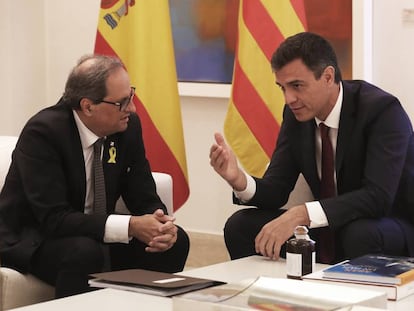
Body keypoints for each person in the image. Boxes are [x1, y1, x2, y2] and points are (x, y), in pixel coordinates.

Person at [209, 32, 414, 264]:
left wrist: (302, 214)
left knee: (359, 234)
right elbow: (277, 189)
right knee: (242, 225)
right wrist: (238, 180)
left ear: (328, 76)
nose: (289, 99)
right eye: (282, 88)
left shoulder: (382, 111)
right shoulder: (297, 116)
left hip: (389, 225)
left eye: (297, 86)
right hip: (329, 224)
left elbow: (377, 198)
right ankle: (266, 295)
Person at [0, 54, 189, 298]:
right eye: (121, 102)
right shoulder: (44, 133)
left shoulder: (127, 127)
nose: (131, 108)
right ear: (88, 106)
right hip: (36, 239)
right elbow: (54, 219)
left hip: (94, 234)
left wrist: (160, 224)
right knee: (84, 252)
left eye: (130, 95)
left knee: (176, 244)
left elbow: (143, 193)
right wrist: (130, 226)